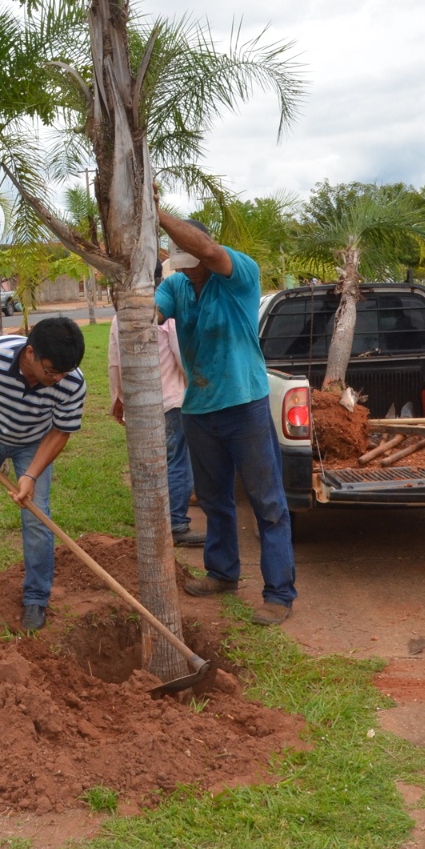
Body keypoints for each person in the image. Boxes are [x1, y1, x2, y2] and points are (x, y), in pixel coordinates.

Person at [153, 198, 297, 625]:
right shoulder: (177, 285)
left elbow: (212, 254)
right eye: (179, 262)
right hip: (198, 409)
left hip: (244, 405)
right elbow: (154, 310)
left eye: (189, 258)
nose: (185, 269)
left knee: (267, 503)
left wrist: (156, 213)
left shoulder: (238, 273)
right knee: (215, 499)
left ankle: (279, 593)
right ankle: (222, 573)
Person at [0, 316, 86, 632]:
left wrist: (31, 475)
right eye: (51, 371)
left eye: (65, 372)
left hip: (34, 442)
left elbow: (61, 431)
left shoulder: (71, 381)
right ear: (31, 352)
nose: (58, 378)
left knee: (37, 519)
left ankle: (36, 597)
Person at [107, 262, 203, 547]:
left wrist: (120, 399)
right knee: (176, 461)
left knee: (152, 462)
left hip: (141, 404)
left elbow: (115, 362)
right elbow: (180, 356)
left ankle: (155, 519)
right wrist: (194, 388)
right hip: (172, 401)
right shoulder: (166, 316)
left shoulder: (120, 317)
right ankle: (176, 523)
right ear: (160, 281)